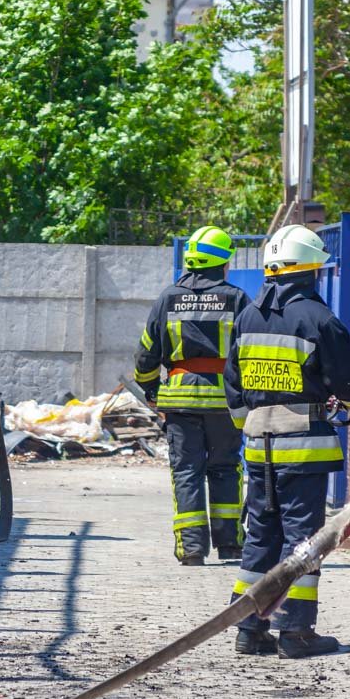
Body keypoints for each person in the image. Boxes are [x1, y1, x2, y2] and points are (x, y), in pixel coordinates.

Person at [225, 224, 350, 659]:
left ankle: (249, 628)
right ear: (310, 272)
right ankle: (295, 631)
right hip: (303, 447)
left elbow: (232, 381)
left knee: (261, 533)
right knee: (303, 538)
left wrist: (251, 423)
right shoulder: (320, 319)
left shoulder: (248, 315)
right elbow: (347, 380)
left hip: (256, 444)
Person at [133, 225, 251, 566]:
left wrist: (151, 389)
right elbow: (247, 350)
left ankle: (192, 549)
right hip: (226, 402)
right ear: (223, 262)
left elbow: (145, 355)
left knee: (186, 471)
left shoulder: (167, 298)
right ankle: (230, 546)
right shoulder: (237, 298)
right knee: (226, 469)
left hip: (180, 401)